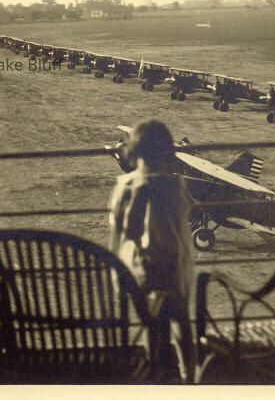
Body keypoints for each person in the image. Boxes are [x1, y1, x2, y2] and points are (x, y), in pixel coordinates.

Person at [109, 120, 193, 380]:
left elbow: (123, 233)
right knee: (180, 321)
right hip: (170, 266)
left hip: (145, 269)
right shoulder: (176, 185)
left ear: (134, 154)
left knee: (153, 323)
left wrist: (116, 273)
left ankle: (158, 368)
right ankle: (187, 373)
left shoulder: (127, 187)